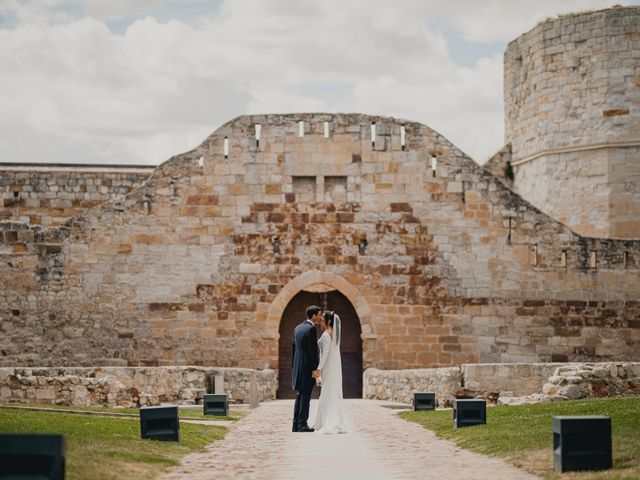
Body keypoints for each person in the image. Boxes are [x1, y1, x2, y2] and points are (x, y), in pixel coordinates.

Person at [312, 310, 347, 434]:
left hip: (326, 367)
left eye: (322, 316)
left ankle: (327, 421)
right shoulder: (333, 334)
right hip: (331, 368)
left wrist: (319, 369)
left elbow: (325, 353)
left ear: (328, 320)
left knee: (327, 392)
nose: (320, 318)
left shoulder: (327, 334)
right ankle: (327, 419)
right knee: (329, 392)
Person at [291, 305, 322, 432]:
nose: (320, 317)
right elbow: (312, 352)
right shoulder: (311, 329)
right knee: (305, 396)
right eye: (319, 314)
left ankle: (295, 424)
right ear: (314, 316)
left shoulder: (297, 328)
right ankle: (302, 424)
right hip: (307, 368)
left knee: (300, 395)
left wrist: (294, 366)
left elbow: (293, 349)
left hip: (297, 367)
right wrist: (316, 369)